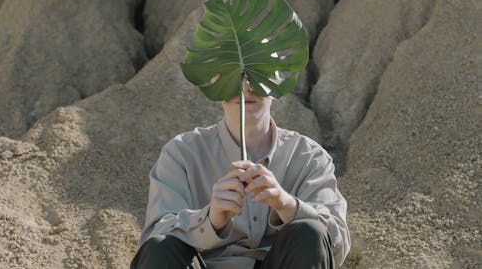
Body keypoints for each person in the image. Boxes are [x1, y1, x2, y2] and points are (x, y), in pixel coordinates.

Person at [131, 78, 350, 269]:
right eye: (234, 74)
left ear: (276, 80)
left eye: (257, 74)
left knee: (309, 231)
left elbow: (337, 242)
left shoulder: (309, 156)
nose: (246, 86)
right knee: (161, 246)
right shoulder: (181, 154)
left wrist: (287, 206)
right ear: (216, 81)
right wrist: (211, 219)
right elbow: (154, 239)